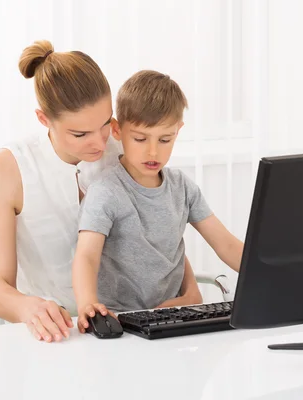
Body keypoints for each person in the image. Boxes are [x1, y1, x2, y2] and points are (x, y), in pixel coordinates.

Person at [0, 40, 198, 343]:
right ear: (44, 119)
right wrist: (29, 307)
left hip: (127, 327)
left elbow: (161, 226)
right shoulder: (5, 169)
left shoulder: (124, 146)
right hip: (54, 333)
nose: (99, 143)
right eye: (80, 134)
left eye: (105, 124)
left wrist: (190, 291)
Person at [72, 70, 244, 333]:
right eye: (140, 139)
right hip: (121, 323)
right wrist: (87, 303)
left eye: (165, 139)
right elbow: (86, 255)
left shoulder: (182, 187)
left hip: (173, 318)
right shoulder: (106, 192)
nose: (153, 152)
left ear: (178, 130)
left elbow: (227, 245)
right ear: (117, 130)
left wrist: (276, 278)